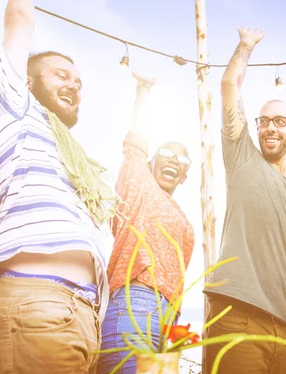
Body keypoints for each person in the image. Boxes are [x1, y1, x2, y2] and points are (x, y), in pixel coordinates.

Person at [0, 0, 119, 372]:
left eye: (78, 82)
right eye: (61, 75)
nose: (74, 86)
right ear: (23, 79)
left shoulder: (68, 153)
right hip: (33, 306)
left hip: (73, 316)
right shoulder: (13, 105)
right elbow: (20, 23)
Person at [202, 27, 286, 374]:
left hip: (285, 331)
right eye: (264, 121)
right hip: (238, 317)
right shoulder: (242, 158)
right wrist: (245, 47)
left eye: (280, 121)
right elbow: (229, 86)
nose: (270, 128)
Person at [97, 74, 195, 374]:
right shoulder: (138, 187)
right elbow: (135, 146)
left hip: (168, 316)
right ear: (151, 162)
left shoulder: (180, 213)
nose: (173, 160)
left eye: (181, 159)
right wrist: (143, 93)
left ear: (184, 176)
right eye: (165, 154)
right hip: (135, 304)